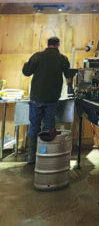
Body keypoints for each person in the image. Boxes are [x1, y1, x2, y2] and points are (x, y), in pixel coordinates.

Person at [22, 36, 70, 164]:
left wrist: (26, 63)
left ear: (47, 44)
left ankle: (31, 157)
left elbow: (26, 72)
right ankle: (46, 155)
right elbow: (69, 74)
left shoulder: (37, 56)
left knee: (34, 126)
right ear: (58, 44)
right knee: (49, 127)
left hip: (36, 97)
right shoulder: (62, 59)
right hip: (52, 99)